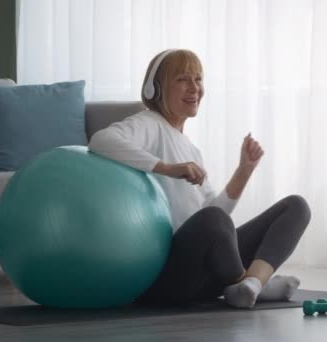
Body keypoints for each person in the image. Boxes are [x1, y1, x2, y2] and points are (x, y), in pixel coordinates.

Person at [88, 49, 311, 309]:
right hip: (168, 277)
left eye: (198, 79)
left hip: (205, 273)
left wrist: (243, 171)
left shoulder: (192, 150)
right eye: (183, 79)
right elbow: (101, 140)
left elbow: (215, 217)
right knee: (213, 221)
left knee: (296, 207)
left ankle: (252, 284)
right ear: (154, 90)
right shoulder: (149, 123)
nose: (194, 88)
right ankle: (248, 284)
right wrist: (166, 168)